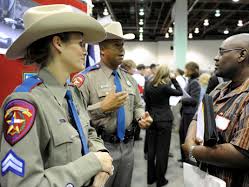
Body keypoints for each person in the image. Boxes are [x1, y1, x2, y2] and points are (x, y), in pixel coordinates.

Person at [0, 4, 113, 187]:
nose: (85, 51)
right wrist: (93, 164)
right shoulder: (24, 105)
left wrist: (102, 158)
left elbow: (87, 132)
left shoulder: (73, 94)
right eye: (80, 43)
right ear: (58, 43)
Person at [182, 33, 249, 187]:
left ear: (241, 55)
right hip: (209, 178)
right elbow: (198, 117)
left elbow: (244, 154)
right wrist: (189, 141)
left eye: (221, 52)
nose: (216, 58)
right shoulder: (221, 88)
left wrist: (193, 150)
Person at [72, 21, 153, 187]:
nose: (122, 50)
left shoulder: (128, 78)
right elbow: (73, 117)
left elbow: (137, 105)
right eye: (117, 45)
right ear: (102, 50)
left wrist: (141, 117)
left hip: (128, 147)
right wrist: (101, 108)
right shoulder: (86, 79)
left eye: (123, 45)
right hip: (100, 148)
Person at [144, 64, 182, 187]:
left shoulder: (149, 85)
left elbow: (147, 103)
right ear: (166, 74)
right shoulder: (165, 87)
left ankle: (150, 178)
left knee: (151, 151)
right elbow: (180, 92)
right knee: (162, 151)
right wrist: (174, 79)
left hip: (151, 119)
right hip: (164, 120)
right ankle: (160, 180)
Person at [179, 62, 201, 162]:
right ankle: (184, 158)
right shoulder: (190, 81)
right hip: (186, 112)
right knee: (182, 134)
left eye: (187, 69)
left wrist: (181, 99)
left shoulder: (195, 82)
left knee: (186, 137)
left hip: (190, 113)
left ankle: (187, 159)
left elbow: (194, 100)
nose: (185, 71)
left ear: (191, 70)